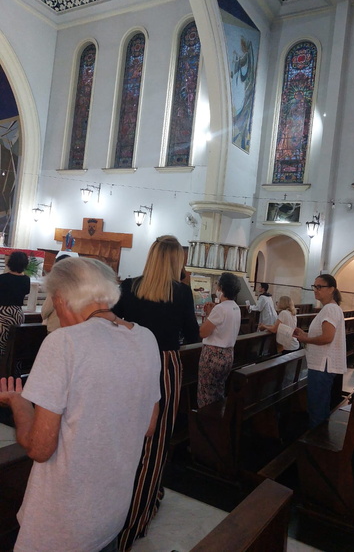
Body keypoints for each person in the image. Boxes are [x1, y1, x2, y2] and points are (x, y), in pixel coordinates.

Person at [0, 257, 161, 552]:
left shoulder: (64, 342)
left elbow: (39, 448)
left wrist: (18, 403)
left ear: (62, 298)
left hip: (62, 521)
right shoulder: (146, 339)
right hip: (111, 511)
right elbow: (148, 426)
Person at [113, 235, 200, 551]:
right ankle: (135, 520)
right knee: (157, 439)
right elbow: (192, 334)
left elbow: (112, 320)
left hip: (130, 361)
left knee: (126, 434)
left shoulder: (129, 286)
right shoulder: (181, 292)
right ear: (177, 261)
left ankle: (118, 505)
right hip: (164, 364)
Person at [294, 274, 347, 428]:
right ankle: (320, 436)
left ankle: (316, 439)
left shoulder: (330, 309)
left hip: (322, 366)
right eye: (314, 286)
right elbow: (323, 336)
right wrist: (305, 335)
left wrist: (305, 340)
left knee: (316, 408)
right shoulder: (330, 308)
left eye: (320, 287)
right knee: (320, 406)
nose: (315, 290)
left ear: (331, 289)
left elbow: (327, 338)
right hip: (322, 365)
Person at [197, 272, 241, 408]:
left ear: (221, 288)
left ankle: (206, 418)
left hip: (213, 355)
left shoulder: (221, 308)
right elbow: (221, 328)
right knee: (218, 390)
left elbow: (203, 332)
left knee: (206, 393)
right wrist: (211, 314)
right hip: (228, 354)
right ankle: (217, 415)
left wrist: (208, 315)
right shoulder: (235, 307)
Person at [0, 251, 31, 356]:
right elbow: (26, 292)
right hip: (18, 313)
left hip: (2, 314)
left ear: (10, 263)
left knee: (1, 347)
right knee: (12, 347)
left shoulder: (2, 278)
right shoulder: (26, 280)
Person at [40, 253, 73, 332]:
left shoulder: (57, 285)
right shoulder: (78, 285)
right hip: (72, 327)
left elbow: (45, 312)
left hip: (56, 327)